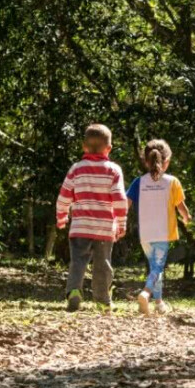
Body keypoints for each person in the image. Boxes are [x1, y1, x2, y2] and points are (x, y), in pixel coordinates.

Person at [56, 124, 128, 312]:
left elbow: (64, 196)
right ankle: (103, 301)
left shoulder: (76, 169)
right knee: (103, 264)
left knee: (78, 261)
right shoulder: (113, 170)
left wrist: (62, 217)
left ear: (84, 147)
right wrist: (121, 223)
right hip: (104, 228)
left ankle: (73, 292)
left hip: (80, 226)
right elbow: (119, 199)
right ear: (109, 148)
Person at [126, 139, 191, 316]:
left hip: (145, 234)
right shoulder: (172, 182)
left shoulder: (138, 182)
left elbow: (126, 204)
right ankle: (146, 293)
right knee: (157, 267)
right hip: (163, 233)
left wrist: (118, 221)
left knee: (156, 267)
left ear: (146, 161)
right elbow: (181, 207)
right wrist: (187, 218)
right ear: (167, 161)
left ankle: (159, 303)